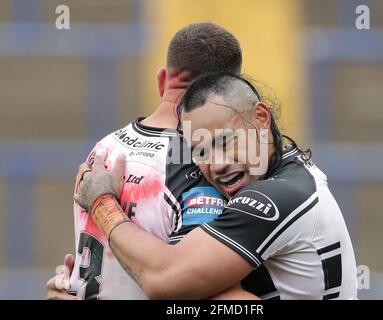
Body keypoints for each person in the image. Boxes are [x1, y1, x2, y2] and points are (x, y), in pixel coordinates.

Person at [74, 72, 358, 300]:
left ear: (261, 117)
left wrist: (102, 203)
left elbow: (164, 279)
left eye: (225, 141)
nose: (217, 164)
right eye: (201, 151)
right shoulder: (288, 169)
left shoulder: (277, 197)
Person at [46, 23, 259, 300]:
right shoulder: (201, 161)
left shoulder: (102, 150)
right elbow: (199, 289)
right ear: (228, 94)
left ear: (162, 80)